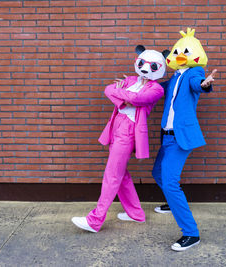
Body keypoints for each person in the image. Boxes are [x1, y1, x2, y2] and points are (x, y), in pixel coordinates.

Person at [71, 45, 169, 233]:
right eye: (143, 63)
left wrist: (125, 95)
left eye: (153, 66)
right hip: (117, 126)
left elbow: (140, 99)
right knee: (121, 174)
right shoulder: (132, 79)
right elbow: (108, 89)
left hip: (129, 131)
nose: (146, 68)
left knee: (112, 175)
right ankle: (136, 214)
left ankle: (95, 220)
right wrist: (127, 97)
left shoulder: (157, 89)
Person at [151, 28, 217, 251]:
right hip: (167, 136)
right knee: (158, 173)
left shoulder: (193, 73)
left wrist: (204, 84)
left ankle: (191, 233)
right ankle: (172, 203)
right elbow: (159, 90)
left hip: (180, 138)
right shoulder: (175, 76)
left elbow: (198, 84)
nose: (179, 54)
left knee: (170, 183)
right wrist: (142, 84)